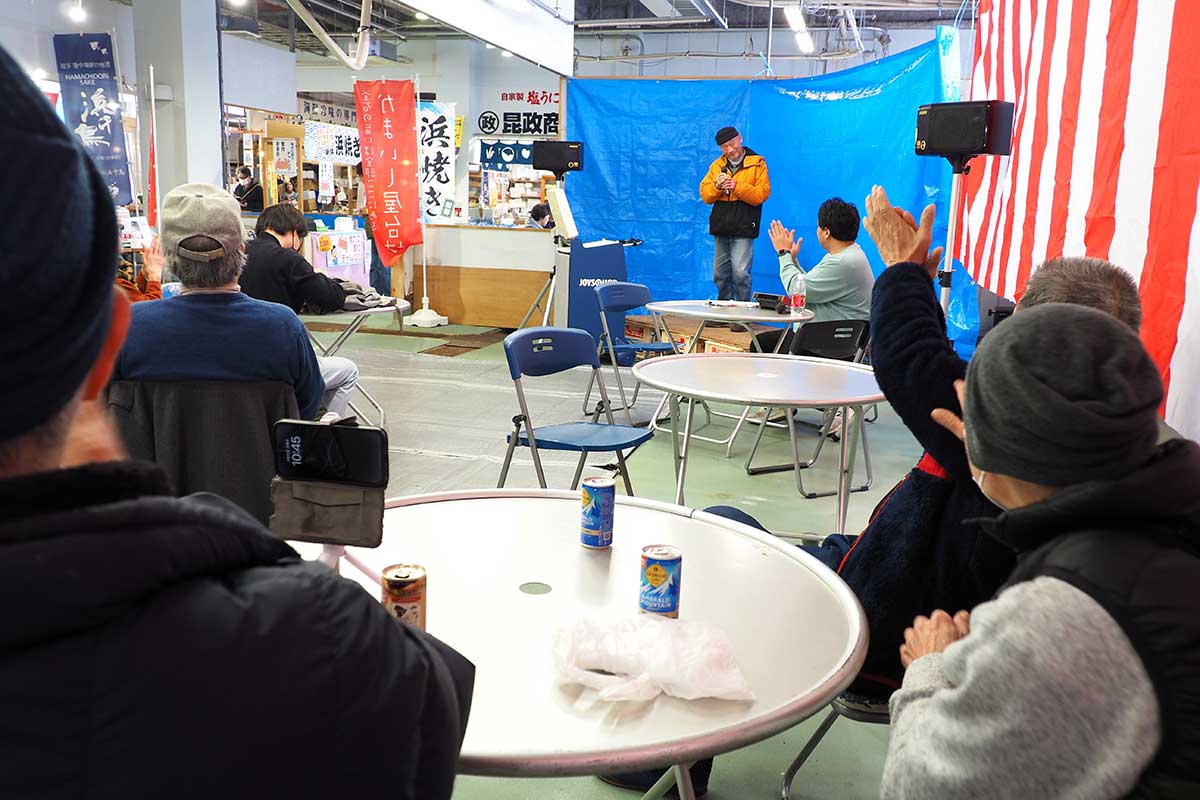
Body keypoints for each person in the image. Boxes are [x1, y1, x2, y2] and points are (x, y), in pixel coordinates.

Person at [0, 44, 473, 798]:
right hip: (262, 517)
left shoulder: (145, 334)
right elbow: (434, 704)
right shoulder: (316, 635)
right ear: (97, 351)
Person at [882, 303, 1200, 798]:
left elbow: (918, 786)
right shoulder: (1171, 507)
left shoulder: (1062, 617)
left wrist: (932, 666)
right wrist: (1002, 458)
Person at [113, 184, 329, 420]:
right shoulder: (283, 327)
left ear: (169, 257)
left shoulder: (130, 326)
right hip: (260, 456)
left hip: (154, 457)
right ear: (242, 252)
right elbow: (308, 405)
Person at [240, 203, 360, 420]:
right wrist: (319, 275)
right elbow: (332, 297)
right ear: (294, 231)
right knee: (347, 370)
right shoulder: (287, 258)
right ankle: (324, 434)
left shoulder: (238, 254)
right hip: (280, 364)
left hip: (240, 362)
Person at [766, 197, 874, 323]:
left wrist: (783, 253)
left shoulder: (842, 261)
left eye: (818, 226)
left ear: (826, 232)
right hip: (831, 333)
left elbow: (796, 290)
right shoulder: (848, 254)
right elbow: (811, 284)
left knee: (763, 341)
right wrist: (793, 261)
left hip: (829, 338)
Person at [699, 126, 770, 303]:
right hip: (721, 225)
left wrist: (736, 186)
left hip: (744, 225)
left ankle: (741, 313)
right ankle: (724, 309)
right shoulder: (717, 166)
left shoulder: (757, 163)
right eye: (724, 147)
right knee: (719, 273)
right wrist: (716, 187)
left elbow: (761, 194)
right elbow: (706, 195)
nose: (730, 150)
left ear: (740, 139)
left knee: (740, 272)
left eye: (732, 144)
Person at [356, 161, 392, 297]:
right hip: (373, 231)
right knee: (375, 265)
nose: (361, 179)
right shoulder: (372, 187)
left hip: (381, 231)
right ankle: (375, 294)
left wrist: (366, 211)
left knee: (382, 265)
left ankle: (386, 295)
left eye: (361, 175)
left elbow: (380, 207)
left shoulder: (379, 187)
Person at [115, 236, 164, 302]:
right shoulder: (115, 283)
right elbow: (150, 309)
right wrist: (154, 276)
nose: (121, 237)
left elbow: (135, 294)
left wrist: (145, 274)